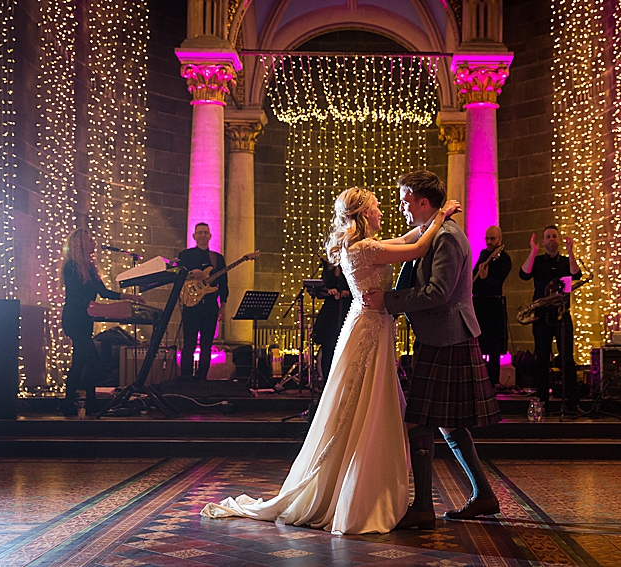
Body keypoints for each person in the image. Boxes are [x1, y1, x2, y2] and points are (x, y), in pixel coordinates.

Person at [201, 187, 461, 534]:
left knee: (367, 403)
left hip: (371, 326)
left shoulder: (365, 245)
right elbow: (416, 247)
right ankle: (356, 491)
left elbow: (407, 236)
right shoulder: (365, 248)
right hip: (368, 330)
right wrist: (441, 216)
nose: (382, 211)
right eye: (376, 207)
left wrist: (433, 217)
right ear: (363, 213)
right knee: (362, 404)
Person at [364, 171, 502, 530]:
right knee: (450, 425)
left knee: (420, 420)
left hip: (449, 336)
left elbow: (438, 292)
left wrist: (389, 301)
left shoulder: (447, 238)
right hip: (441, 336)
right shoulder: (432, 232)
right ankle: (482, 495)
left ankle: (423, 506)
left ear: (423, 202)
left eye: (405, 199)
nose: (401, 206)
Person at [61, 228, 143, 417]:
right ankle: (89, 402)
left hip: (85, 320)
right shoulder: (71, 266)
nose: (93, 244)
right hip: (74, 319)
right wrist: (97, 307)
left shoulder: (89, 268)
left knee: (80, 361)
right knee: (93, 359)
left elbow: (104, 292)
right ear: (80, 243)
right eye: (90, 240)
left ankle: (71, 404)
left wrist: (128, 297)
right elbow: (76, 296)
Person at [518, 225, 582, 411]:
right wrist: (533, 250)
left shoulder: (564, 261)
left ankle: (572, 402)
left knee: (567, 359)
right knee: (541, 359)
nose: (551, 239)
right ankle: (542, 401)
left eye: (554, 236)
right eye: (548, 237)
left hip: (562, 315)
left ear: (558, 240)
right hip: (541, 316)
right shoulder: (537, 261)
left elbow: (576, 274)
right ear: (544, 241)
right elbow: (523, 274)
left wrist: (571, 253)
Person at [177, 223, 227, 380]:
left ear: (210, 236)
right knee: (189, 344)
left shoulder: (217, 258)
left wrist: (223, 305)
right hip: (191, 306)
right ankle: (185, 378)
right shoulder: (185, 255)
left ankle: (201, 379)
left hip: (211, 306)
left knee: (206, 346)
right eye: (200, 232)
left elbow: (224, 283)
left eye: (206, 232)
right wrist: (191, 274)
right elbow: (176, 275)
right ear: (194, 236)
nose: (203, 235)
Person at [472, 226, 512, 388]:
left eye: (492, 239)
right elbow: (475, 278)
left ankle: (493, 381)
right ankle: (479, 379)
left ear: (500, 240)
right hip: (479, 304)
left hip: (494, 305)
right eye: (487, 238)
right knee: (478, 344)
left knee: (494, 346)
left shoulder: (505, 259)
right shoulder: (483, 255)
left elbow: (498, 283)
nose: (489, 242)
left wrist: (485, 278)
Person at [311, 258, 351, 383]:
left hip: (346, 309)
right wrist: (328, 291)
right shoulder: (327, 265)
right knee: (328, 347)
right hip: (330, 311)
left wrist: (347, 292)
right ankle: (326, 381)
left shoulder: (351, 261)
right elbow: (316, 290)